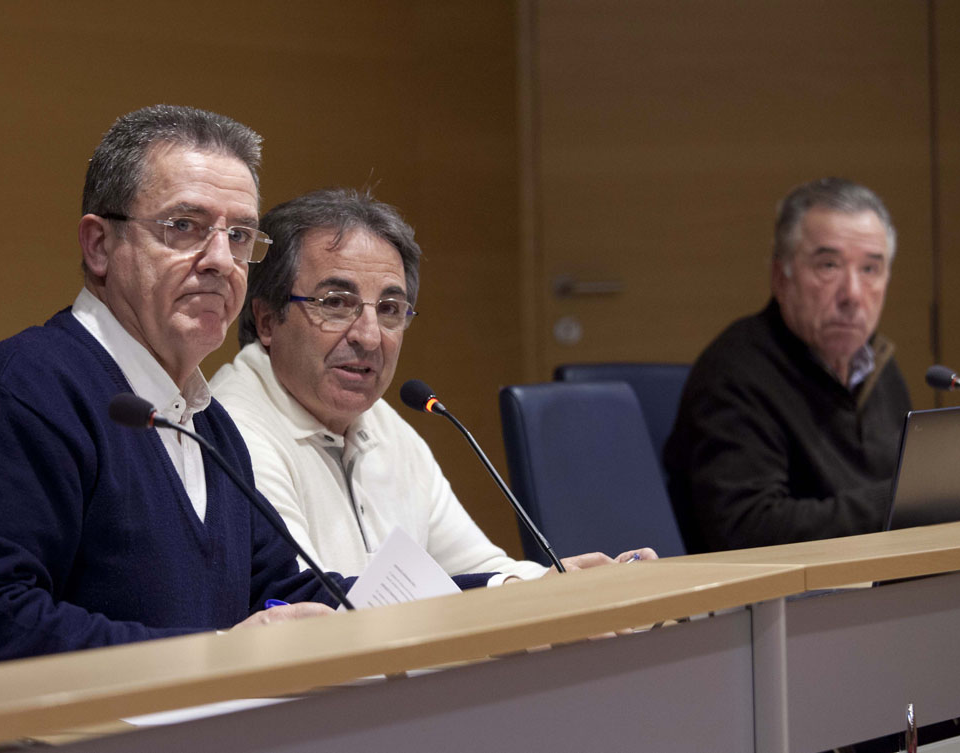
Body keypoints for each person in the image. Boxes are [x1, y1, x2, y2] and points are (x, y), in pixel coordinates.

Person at [0, 106, 351, 676]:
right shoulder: (14, 395)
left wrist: (473, 593)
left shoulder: (207, 426)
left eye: (240, 235)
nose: (221, 261)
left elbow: (286, 592)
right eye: (184, 226)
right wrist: (218, 654)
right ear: (99, 245)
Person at [211, 188, 655, 584]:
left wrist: (561, 584)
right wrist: (508, 591)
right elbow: (313, 606)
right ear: (268, 321)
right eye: (336, 303)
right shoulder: (232, 432)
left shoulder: (381, 423)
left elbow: (476, 565)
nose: (369, 336)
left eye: (390, 308)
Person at [663, 177, 912, 553]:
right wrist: (900, 503)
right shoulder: (734, 374)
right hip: (775, 604)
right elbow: (748, 530)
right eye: (828, 266)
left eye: (870, 269)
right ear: (782, 278)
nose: (853, 295)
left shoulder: (879, 365)